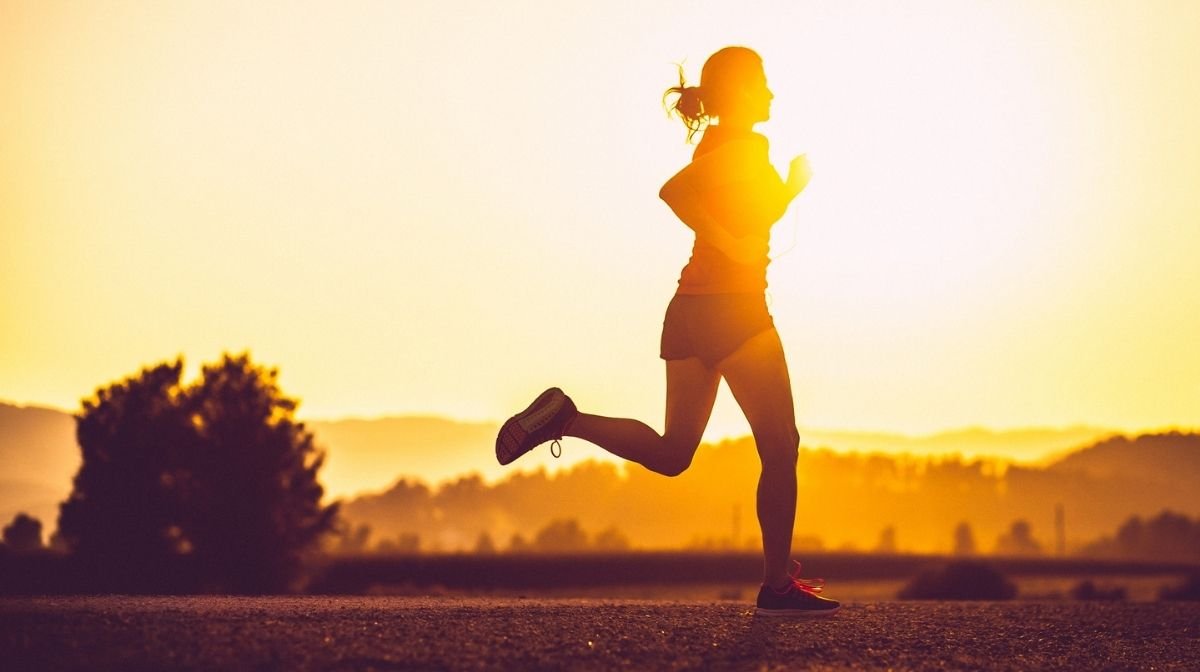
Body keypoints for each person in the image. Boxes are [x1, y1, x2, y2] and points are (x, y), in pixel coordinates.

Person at [495, 46, 839, 617]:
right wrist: (730, 243)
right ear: (739, 92)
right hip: (735, 310)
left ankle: (566, 419)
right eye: (763, 83)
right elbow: (675, 192)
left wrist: (789, 191)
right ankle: (776, 585)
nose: (773, 93)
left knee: (674, 452)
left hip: (690, 311)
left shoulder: (725, 146)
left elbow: (748, 216)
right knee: (782, 447)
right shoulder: (741, 145)